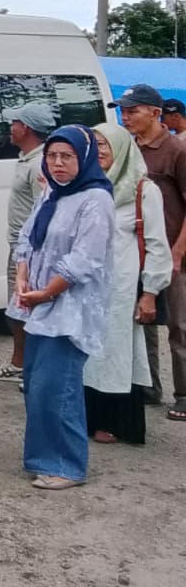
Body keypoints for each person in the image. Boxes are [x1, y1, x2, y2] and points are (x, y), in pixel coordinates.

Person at [8, 125, 114, 490]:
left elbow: (86, 259)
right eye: (52, 156)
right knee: (36, 384)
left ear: (83, 159)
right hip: (37, 305)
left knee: (59, 387)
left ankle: (67, 465)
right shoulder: (52, 193)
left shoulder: (95, 199)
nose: (57, 163)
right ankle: (42, 458)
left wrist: (47, 292)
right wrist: (23, 278)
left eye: (66, 156)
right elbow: (28, 237)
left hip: (69, 309)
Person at [85, 123, 172, 444]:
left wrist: (149, 293)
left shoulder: (142, 190)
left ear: (121, 148)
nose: (98, 151)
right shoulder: (85, 186)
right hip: (86, 287)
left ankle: (117, 422)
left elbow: (157, 244)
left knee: (118, 351)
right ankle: (87, 419)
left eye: (104, 145)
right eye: (93, 145)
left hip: (121, 288)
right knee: (87, 351)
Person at [114, 83, 186, 416]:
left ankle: (183, 393)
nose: (125, 117)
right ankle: (148, 386)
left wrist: (177, 253)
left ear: (156, 113)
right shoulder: (127, 149)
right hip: (138, 250)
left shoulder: (176, 150)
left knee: (179, 326)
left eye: (132, 111)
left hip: (172, 251)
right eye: (123, 111)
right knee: (143, 318)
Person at [0, 103, 54, 385]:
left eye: (13, 123)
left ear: (25, 128)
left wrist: (32, 251)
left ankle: (24, 366)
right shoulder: (28, 158)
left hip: (29, 250)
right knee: (18, 307)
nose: (10, 129)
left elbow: (45, 208)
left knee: (22, 307)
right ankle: (22, 363)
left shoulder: (39, 164)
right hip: (20, 244)